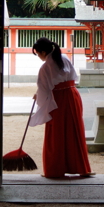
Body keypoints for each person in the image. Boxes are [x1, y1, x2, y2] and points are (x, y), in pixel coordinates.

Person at [29, 37, 93, 179]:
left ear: (44, 52)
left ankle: (55, 170)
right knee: (74, 130)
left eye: (38, 54)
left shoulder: (45, 67)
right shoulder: (64, 58)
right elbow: (72, 77)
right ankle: (82, 168)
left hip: (58, 99)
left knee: (56, 133)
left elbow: (44, 90)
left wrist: (38, 95)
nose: (39, 57)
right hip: (72, 95)